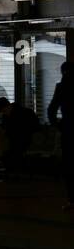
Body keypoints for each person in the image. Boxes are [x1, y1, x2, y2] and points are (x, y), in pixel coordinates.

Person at [0, 97, 39, 178]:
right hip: (15, 139)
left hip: (22, 139)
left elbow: (28, 129)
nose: (4, 113)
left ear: (8, 106)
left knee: (13, 148)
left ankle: (0, 163)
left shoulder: (24, 113)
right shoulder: (8, 115)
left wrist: (6, 131)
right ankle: (0, 163)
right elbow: (7, 128)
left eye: (4, 111)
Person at [48, 62, 73, 210]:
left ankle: (72, 199)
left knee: (69, 165)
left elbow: (52, 109)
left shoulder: (62, 87)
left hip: (68, 129)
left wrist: (57, 125)